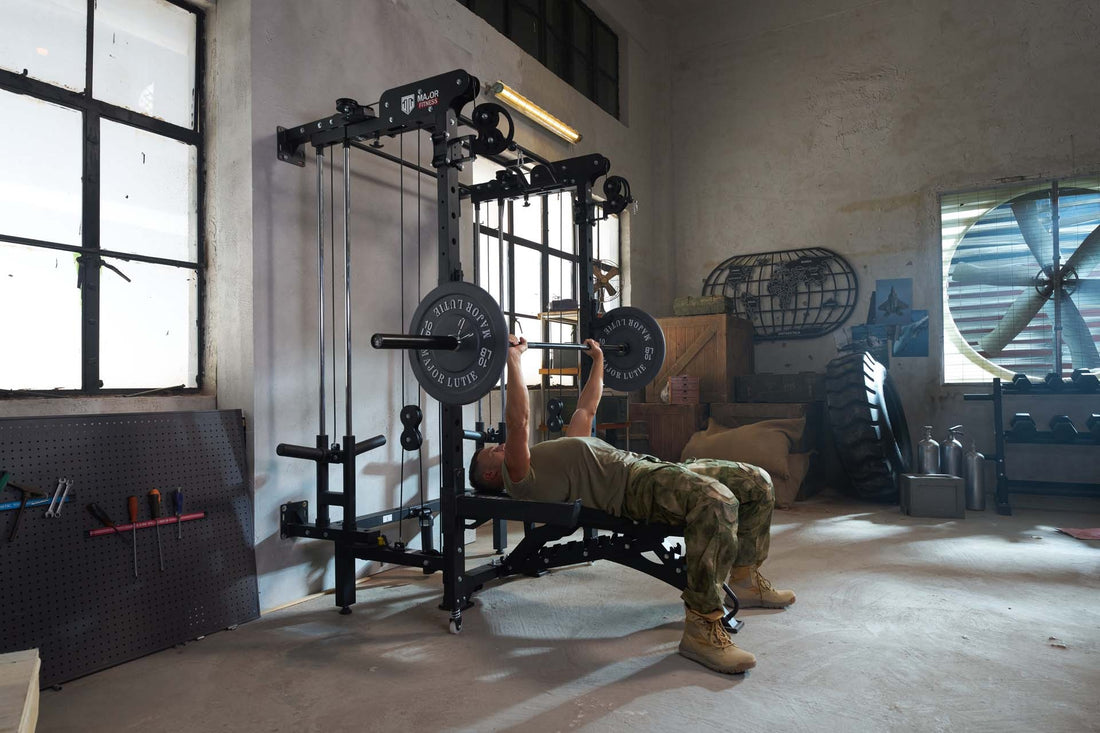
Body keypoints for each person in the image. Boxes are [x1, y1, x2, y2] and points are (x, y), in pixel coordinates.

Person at [468, 335, 795, 675]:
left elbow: (585, 409)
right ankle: (701, 629)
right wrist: (513, 360)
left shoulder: (558, 452)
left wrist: (598, 362)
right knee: (717, 501)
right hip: (632, 489)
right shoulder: (520, 477)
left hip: (650, 467)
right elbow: (519, 422)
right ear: (492, 473)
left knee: (756, 480)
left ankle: (744, 577)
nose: (499, 444)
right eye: (493, 449)